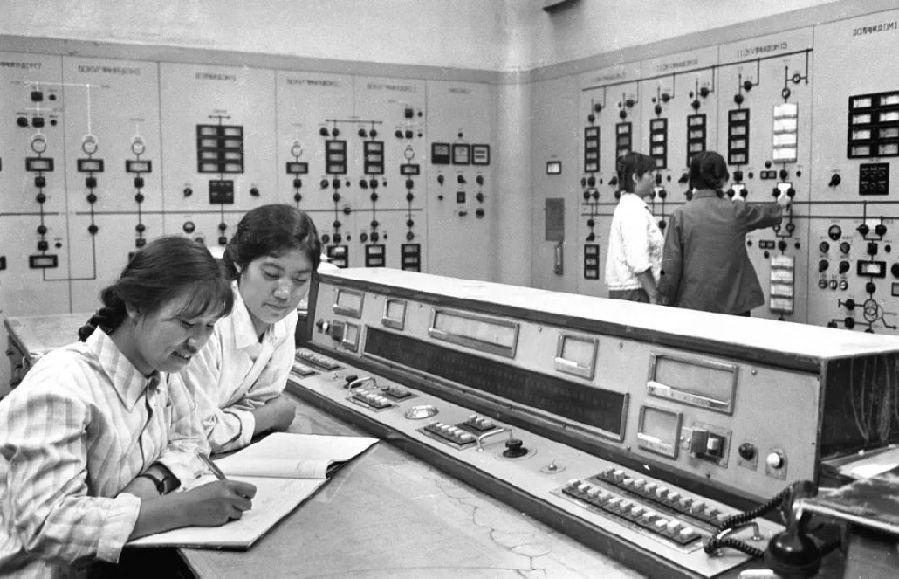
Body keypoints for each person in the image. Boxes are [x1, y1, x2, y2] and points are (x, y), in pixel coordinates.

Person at [0, 236, 257, 576]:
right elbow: (47, 526)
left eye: (209, 327)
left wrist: (153, 483)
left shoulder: (163, 370)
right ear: (135, 307)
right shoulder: (61, 388)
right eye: (186, 323)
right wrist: (181, 508)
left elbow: (192, 444)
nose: (197, 343)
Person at [182, 204, 321, 454]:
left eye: (300, 280)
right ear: (239, 264)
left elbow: (260, 401)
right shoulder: (209, 323)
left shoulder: (285, 319)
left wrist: (246, 418)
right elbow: (196, 434)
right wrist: (269, 417)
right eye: (271, 274)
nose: (284, 293)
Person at [657, 150, 791, 315]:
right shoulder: (736, 210)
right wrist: (780, 205)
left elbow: (670, 267)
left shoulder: (680, 216)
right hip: (735, 306)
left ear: (692, 179)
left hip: (694, 307)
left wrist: (663, 301)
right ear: (723, 179)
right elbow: (763, 214)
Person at [605, 152, 664, 304]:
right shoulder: (633, 210)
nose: (654, 179)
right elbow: (639, 262)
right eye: (650, 174)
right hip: (636, 293)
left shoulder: (631, 207)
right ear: (635, 178)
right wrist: (654, 295)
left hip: (632, 291)